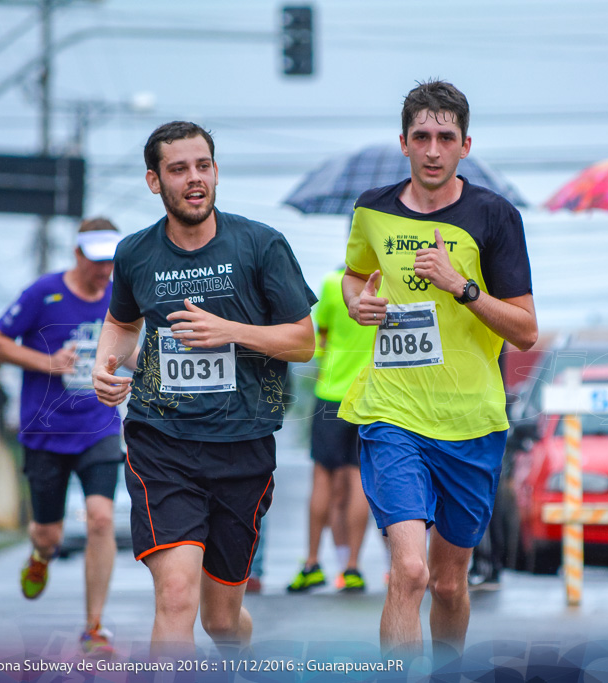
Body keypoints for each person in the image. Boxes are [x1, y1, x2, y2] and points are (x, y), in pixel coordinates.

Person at [92, 121, 316, 656]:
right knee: (174, 596)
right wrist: (107, 365)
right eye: (178, 169)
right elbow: (123, 325)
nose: (194, 179)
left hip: (242, 446)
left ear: (215, 172)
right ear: (154, 181)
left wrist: (231, 333)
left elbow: (303, 341)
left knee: (221, 622)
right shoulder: (135, 254)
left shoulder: (260, 245)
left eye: (203, 166)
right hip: (161, 442)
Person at [339, 80, 538, 658]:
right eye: (421, 136)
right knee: (410, 571)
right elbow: (355, 274)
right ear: (402, 143)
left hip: (471, 420)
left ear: (465, 145)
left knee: (449, 583)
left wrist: (462, 286)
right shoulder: (372, 209)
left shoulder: (494, 217)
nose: (432, 149)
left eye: (444, 137)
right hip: (392, 412)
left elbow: (524, 329)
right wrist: (357, 300)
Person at [0, 218, 125, 658]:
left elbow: (135, 345)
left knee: (101, 518)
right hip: (45, 431)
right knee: (49, 533)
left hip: (99, 425)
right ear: (78, 255)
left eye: (112, 262)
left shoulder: (120, 296)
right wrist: (44, 360)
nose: (106, 271)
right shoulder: (43, 292)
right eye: (99, 262)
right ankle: (41, 556)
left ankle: (94, 627)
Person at [287, 266, 375, 594]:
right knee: (358, 480)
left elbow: (320, 337)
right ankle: (352, 567)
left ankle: (312, 562)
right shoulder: (388, 286)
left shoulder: (332, 282)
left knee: (323, 476)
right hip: (371, 395)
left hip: (332, 392)